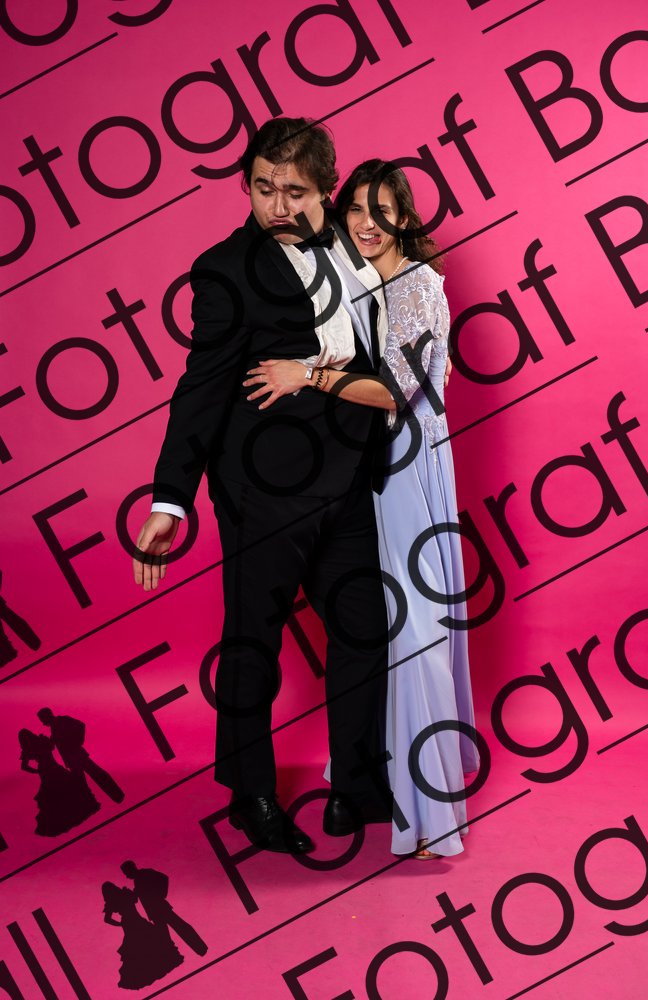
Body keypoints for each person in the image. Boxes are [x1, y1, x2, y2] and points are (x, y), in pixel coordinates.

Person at [132, 119, 393, 854]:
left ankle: (355, 789)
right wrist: (170, 499)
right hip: (263, 491)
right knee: (253, 644)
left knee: (364, 632)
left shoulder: (358, 244)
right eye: (262, 187)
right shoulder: (224, 269)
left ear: (327, 190)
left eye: (295, 191)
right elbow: (201, 387)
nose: (277, 205)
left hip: (351, 480)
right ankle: (249, 794)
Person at [244, 160, 480, 859]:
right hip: (360, 468)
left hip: (407, 466)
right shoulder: (350, 274)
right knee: (377, 626)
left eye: (382, 210)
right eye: (355, 209)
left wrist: (307, 375)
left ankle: (430, 811)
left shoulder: (417, 284)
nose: (367, 222)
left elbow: (396, 391)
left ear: (405, 217)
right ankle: (370, 780)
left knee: (416, 629)